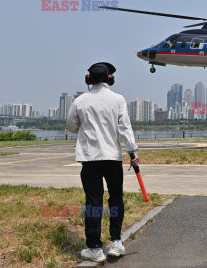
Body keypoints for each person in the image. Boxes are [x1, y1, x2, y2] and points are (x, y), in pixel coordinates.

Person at [66, 62, 140, 263]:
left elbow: (71, 126)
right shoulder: (118, 99)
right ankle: (116, 242)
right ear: (110, 79)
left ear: (88, 80)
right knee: (116, 198)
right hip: (113, 158)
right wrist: (133, 152)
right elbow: (125, 128)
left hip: (90, 158)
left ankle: (94, 248)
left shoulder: (80, 100)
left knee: (93, 201)